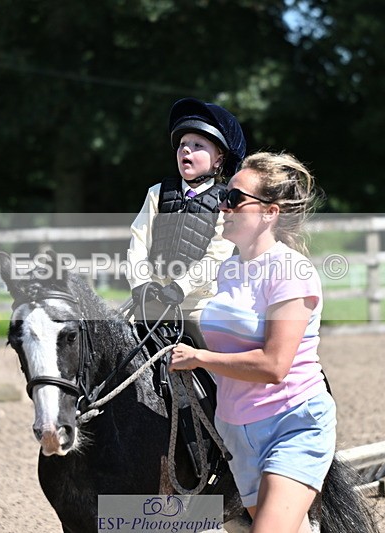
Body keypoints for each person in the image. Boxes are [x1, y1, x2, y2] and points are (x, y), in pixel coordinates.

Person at [169, 151, 333, 533]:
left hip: (291, 424)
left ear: (269, 213)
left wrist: (199, 358)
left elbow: (274, 365)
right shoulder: (229, 269)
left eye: (235, 199)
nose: (223, 205)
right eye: (225, 195)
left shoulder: (291, 271)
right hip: (236, 432)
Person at [127, 97, 246, 347]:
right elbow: (138, 240)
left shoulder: (225, 201)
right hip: (153, 298)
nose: (186, 150)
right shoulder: (157, 193)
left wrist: (182, 286)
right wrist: (140, 283)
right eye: (182, 144)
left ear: (218, 159)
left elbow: (217, 257)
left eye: (197, 145)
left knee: (216, 361)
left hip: (198, 305)